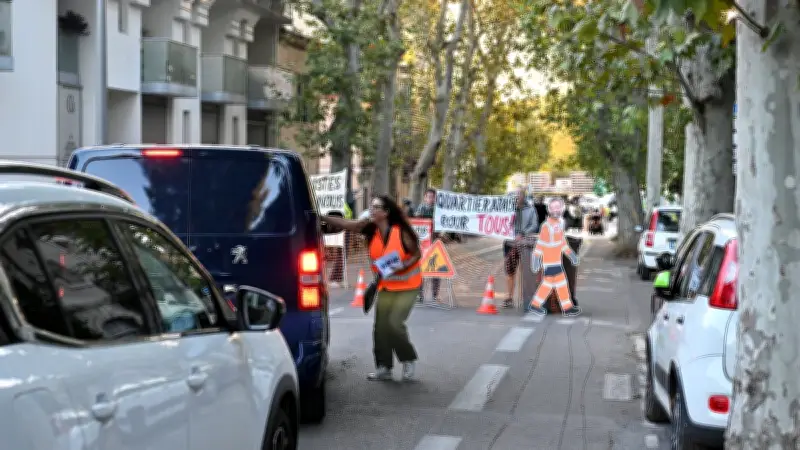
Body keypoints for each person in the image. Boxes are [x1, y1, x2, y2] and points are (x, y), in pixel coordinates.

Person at [322, 195, 422, 381]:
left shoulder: (401, 232)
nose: (372, 209)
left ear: (386, 212)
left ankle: (408, 360)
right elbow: (346, 224)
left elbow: (416, 254)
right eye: (371, 206)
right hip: (386, 286)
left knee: (394, 324)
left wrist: (403, 266)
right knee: (380, 327)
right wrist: (323, 218)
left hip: (408, 286)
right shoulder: (370, 230)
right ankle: (384, 367)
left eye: (376, 207)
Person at [528, 197, 581, 317]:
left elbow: (562, 243)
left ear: (562, 209)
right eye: (554, 208)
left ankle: (537, 305)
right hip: (550, 261)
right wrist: (535, 259)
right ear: (549, 210)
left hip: (555, 260)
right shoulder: (547, 226)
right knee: (557, 283)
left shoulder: (558, 224)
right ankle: (565, 308)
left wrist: (571, 255)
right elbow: (540, 244)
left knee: (552, 284)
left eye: (559, 207)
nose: (557, 210)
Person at [502, 187, 539, 308]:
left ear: (523, 196)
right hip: (509, 243)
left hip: (525, 244)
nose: (516, 197)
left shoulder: (531, 209)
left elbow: (534, 225)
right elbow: (501, 223)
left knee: (526, 271)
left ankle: (526, 298)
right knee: (509, 270)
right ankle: (509, 297)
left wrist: (522, 234)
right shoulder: (505, 209)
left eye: (518, 195)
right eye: (514, 195)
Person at [415, 188, 440, 302]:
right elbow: (416, 223)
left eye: (433, 197)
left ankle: (434, 295)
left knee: (436, 269)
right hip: (423, 244)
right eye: (429, 196)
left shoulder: (439, 210)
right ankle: (419, 294)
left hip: (435, 242)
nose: (431, 199)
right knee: (420, 269)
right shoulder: (421, 208)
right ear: (425, 197)